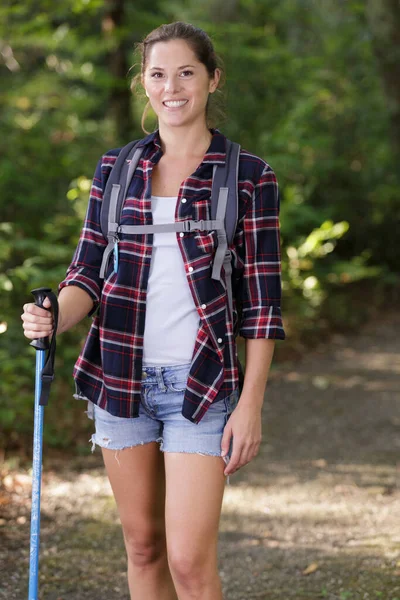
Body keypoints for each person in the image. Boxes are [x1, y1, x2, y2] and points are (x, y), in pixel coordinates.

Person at [21, 21, 285, 600]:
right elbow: (85, 275)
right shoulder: (115, 171)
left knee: (189, 563)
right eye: (158, 74)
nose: (172, 86)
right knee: (143, 549)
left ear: (213, 79)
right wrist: (52, 314)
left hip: (204, 385)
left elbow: (262, 307)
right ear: (144, 83)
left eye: (186, 72)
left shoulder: (248, 176)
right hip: (119, 378)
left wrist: (251, 405)